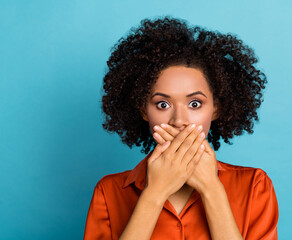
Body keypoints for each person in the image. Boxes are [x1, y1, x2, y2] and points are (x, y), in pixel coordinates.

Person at [84, 16, 278, 240]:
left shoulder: (255, 186)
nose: (179, 120)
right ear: (143, 110)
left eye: (195, 104)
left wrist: (211, 188)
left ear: (215, 109)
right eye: (162, 104)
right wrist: (154, 194)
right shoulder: (109, 192)